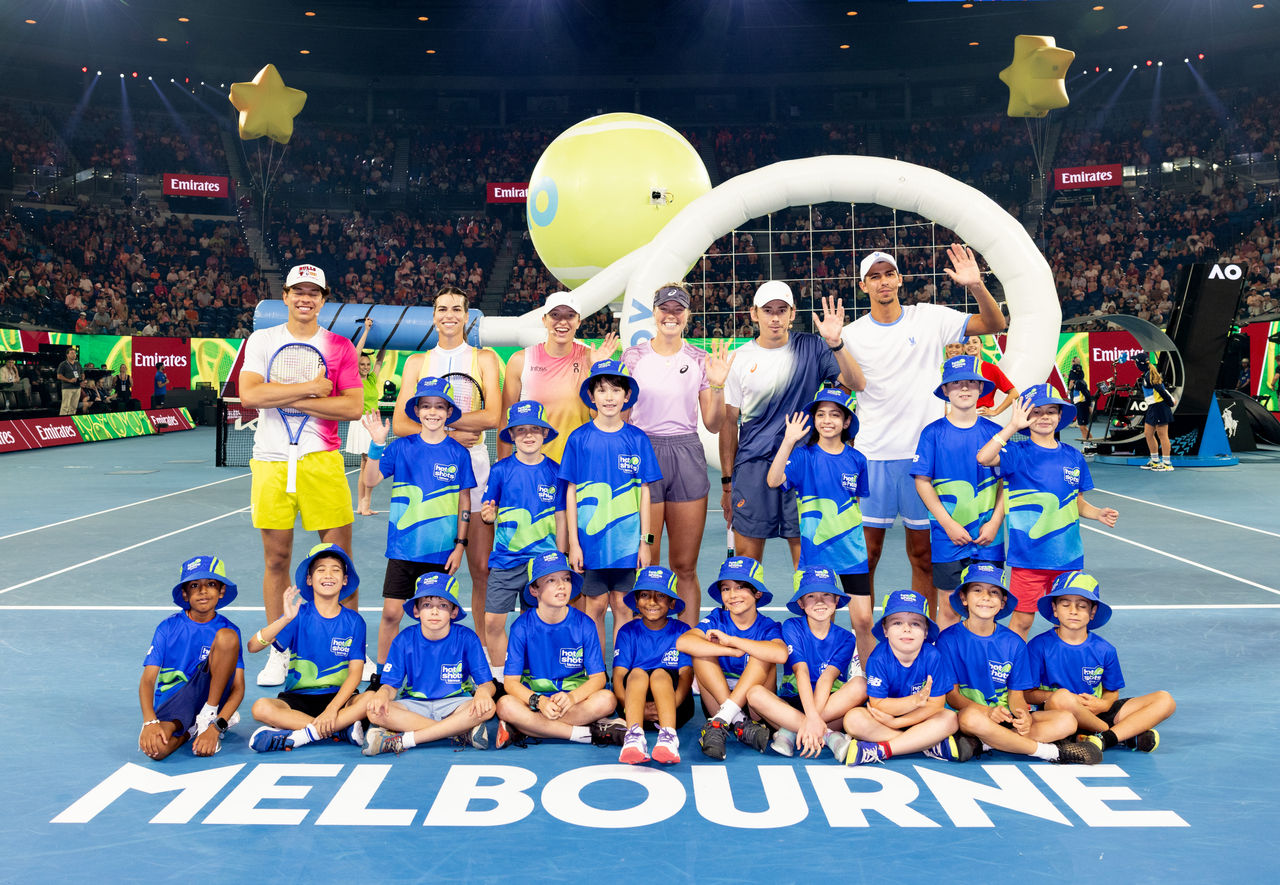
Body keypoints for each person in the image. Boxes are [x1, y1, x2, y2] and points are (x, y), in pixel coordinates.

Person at [840, 246, 1007, 619]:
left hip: (925, 460)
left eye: (889, 274)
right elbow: (847, 386)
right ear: (863, 285)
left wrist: (977, 285)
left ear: (899, 279)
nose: (883, 281)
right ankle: (861, 636)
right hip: (873, 456)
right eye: (874, 276)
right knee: (866, 555)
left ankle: (919, 632)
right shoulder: (850, 334)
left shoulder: (930, 318)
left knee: (924, 556)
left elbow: (994, 324)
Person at [238, 264, 363, 687]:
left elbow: (351, 408)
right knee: (276, 559)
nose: (305, 299)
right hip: (270, 461)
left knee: (340, 562)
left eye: (314, 292)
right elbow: (251, 394)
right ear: (286, 296)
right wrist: (312, 389)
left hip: (322, 461)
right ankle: (279, 652)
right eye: (298, 291)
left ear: (323, 299)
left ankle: (350, 652)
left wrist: (288, 397)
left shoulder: (339, 347)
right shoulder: (263, 340)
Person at [721, 282, 864, 565]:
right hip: (754, 466)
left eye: (781, 310)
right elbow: (728, 424)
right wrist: (727, 482)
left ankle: (811, 610)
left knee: (808, 560)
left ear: (792, 313)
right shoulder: (739, 359)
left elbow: (855, 383)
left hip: (802, 464)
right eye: (768, 310)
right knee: (747, 563)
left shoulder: (813, 347)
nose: (775, 317)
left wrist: (835, 343)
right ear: (754, 314)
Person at [395, 286, 502, 651]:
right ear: (434, 315)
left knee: (482, 569)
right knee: (431, 569)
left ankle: (487, 653)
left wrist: (448, 430)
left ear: (468, 316)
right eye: (442, 309)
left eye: (457, 309)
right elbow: (399, 424)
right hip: (427, 481)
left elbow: (493, 415)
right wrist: (454, 433)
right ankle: (432, 648)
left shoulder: (484, 358)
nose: (449, 315)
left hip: (477, 472)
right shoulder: (416, 363)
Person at [621, 282, 733, 627]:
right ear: (654, 313)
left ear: (687, 315)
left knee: (684, 566)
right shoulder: (633, 357)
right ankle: (648, 645)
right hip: (644, 456)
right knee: (648, 564)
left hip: (686, 456)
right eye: (665, 309)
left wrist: (717, 385)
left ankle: (689, 646)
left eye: (678, 309)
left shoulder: (700, 359)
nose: (671, 315)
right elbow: (620, 419)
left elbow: (713, 425)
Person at [977, 385, 1119, 639]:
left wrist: (1096, 513)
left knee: (1070, 623)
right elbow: (984, 458)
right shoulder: (1017, 453)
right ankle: (1016, 673)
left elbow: (1075, 502)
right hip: (1028, 559)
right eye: (1037, 412)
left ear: (1060, 417)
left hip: (1068, 558)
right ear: (1026, 417)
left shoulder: (1073, 457)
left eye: (1051, 411)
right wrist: (1011, 426)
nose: (1044, 417)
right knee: (1021, 623)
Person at [362, 377, 476, 685]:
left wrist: (460, 545)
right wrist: (376, 445)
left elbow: (464, 500)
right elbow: (371, 480)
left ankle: (439, 674)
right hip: (403, 549)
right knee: (391, 615)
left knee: (439, 617)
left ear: (448, 411)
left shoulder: (458, 453)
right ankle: (382, 675)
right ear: (417, 410)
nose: (433, 412)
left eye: (439, 406)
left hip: (441, 552)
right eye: (426, 406)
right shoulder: (401, 447)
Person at [936, 563, 1101, 765]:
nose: (985, 597)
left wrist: (1024, 717)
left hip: (1006, 719)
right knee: (969, 718)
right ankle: (1049, 751)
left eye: (994, 592)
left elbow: (1016, 695)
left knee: (1067, 721)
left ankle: (987, 743)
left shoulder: (1014, 643)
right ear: (964, 598)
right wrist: (987, 711)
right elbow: (952, 697)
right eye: (977, 590)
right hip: (973, 715)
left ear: (1003, 602)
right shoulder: (948, 640)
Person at [766, 387, 873, 664]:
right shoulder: (803, 457)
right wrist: (788, 441)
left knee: (863, 620)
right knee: (821, 618)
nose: (827, 420)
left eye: (835, 415)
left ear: (846, 422)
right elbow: (773, 480)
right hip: (815, 555)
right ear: (814, 419)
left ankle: (867, 675)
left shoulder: (857, 460)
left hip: (852, 554)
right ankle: (821, 671)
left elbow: (854, 504)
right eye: (821, 414)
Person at [560, 359, 661, 649]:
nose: (609, 397)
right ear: (591, 396)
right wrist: (574, 545)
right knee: (593, 606)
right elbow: (571, 493)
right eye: (602, 390)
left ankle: (620, 673)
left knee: (623, 606)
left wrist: (645, 542)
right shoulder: (579, 439)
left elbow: (644, 494)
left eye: (616, 390)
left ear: (626, 396)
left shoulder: (637, 439)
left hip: (627, 545)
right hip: (590, 545)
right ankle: (596, 672)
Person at [1026, 571, 1175, 754]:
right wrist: (1070, 699)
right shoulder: (1038, 646)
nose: (1073, 611)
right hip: (1059, 712)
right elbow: (1027, 694)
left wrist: (1103, 705)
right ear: (1055, 609)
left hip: (1096, 710)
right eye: (1066, 604)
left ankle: (1101, 739)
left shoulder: (1105, 649)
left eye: (1082, 606)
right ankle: (1113, 733)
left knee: (1165, 700)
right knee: (1062, 697)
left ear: (1092, 612)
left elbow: (1111, 692)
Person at [911, 354, 1006, 634]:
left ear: (981, 388)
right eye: (955, 384)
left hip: (989, 536)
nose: (963, 389)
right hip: (947, 537)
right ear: (945, 391)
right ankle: (948, 674)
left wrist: (995, 523)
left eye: (970, 383)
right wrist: (948, 524)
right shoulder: (932, 434)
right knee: (950, 606)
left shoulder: (996, 433)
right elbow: (922, 482)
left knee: (988, 604)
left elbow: (1007, 484)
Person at [246, 544, 369, 752]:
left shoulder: (355, 621)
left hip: (339, 697)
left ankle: (302, 734)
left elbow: (355, 674)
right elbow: (252, 646)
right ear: (310, 580)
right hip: (299, 697)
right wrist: (284, 619)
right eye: (321, 569)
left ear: (345, 580)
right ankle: (338, 731)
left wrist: (332, 709)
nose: (328, 574)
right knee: (261, 708)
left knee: (371, 700)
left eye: (336, 570)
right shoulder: (298, 615)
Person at [493, 551, 619, 748]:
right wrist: (539, 701)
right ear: (534, 590)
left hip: (571, 699)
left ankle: (526, 728)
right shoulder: (521, 626)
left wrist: (572, 697)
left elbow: (599, 678)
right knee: (505, 705)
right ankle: (584, 733)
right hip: (535, 700)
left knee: (607, 700)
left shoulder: (584, 623)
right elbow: (510, 683)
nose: (561, 586)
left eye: (566, 579)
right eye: (551, 580)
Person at [362, 573, 496, 755]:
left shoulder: (467, 638)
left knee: (488, 708)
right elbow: (391, 687)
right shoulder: (403, 640)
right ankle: (458, 732)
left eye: (443, 606)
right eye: (427, 605)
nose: (434, 612)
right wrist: (382, 694)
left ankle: (403, 739)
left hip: (455, 704)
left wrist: (483, 693)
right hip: (414, 705)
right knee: (375, 711)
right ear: (416, 611)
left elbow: (487, 684)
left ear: (453, 611)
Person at [746, 567, 868, 760]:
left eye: (827, 594)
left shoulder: (846, 638)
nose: (819, 601)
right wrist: (811, 719)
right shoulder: (792, 626)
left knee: (860, 684)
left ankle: (792, 732)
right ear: (801, 603)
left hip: (829, 705)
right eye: (811, 596)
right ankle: (828, 736)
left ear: (836, 600)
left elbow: (826, 678)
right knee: (754, 694)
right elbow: (801, 671)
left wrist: (813, 718)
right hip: (793, 703)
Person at [479, 400, 566, 669]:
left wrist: (561, 556)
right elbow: (488, 509)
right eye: (520, 430)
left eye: (535, 429)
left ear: (544, 434)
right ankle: (501, 676)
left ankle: (533, 670)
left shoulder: (556, 471)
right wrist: (488, 517)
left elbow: (561, 516)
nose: (528, 435)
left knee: (537, 621)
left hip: (542, 563)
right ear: (512, 436)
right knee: (493, 621)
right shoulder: (500, 470)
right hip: (506, 560)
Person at [841, 589, 971, 766]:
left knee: (949, 719)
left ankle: (882, 749)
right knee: (853, 719)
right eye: (897, 623)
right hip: (884, 722)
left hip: (918, 719)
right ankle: (926, 745)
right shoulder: (878, 658)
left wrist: (898, 722)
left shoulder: (933, 656)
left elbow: (936, 705)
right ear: (885, 630)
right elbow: (878, 704)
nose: (906, 629)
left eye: (916, 624)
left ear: (926, 632)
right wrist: (914, 701)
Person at [138, 555, 245, 760]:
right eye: (195, 585)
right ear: (185, 594)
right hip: (176, 700)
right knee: (157, 750)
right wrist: (150, 721)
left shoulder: (230, 630)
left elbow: (238, 688)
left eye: (211, 584)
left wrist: (216, 728)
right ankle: (192, 730)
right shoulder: (167, 628)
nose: (203, 591)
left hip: (211, 697)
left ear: (221, 591)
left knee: (227, 639)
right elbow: (148, 680)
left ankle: (208, 717)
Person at [685, 556, 788, 760]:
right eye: (726, 588)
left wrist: (733, 641)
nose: (732, 595)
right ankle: (736, 720)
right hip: (718, 701)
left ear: (757, 593)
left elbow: (780, 654)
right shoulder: (717, 617)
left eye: (740, 587)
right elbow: (684, 643)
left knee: (763, 654)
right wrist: (731, 651)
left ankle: (723, 719)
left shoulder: (768, 626)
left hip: (755, 709)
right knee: (700, 654)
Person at [500, 291, 618, 463]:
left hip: (579, 464)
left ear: (578, 322)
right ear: (544, 320)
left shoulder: (591, 359)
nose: (562, 322)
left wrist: (596, 371)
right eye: (555, 315)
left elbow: (600, 417)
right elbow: (505, 420)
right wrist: (503, 469)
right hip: (533, 467)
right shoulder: (521, 360)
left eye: (570, 316)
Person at [612, 566, 694, 764]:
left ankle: (668, 737)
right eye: (645, 595)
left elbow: (686, 675)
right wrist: (632, 708)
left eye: (660, 596)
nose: (652, 602)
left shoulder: (682, 630)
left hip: (675, 705)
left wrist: (670, 705)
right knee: (638, 673)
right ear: (637, 602)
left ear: (672, 602)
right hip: (634, 706)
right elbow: (618, 677)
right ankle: (634, 736)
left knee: (659, 674)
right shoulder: (627, 631)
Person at [346, 318, 386, 516]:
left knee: (365, 464)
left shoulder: (371, 378)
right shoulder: (353, 375)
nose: (365, 366)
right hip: (362, 422)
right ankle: (364, 503)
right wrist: (366, 330)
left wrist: (388, 340)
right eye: (362, 363)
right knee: (368, 462)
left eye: (367, 364)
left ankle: (362, 505)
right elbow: (355, 352)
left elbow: (380, 359)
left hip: (373, 423)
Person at [1136, 353, 1178, 471]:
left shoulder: (1150, 375)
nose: (1134, 364)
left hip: (1159, 407)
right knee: (1148, 433)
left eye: (1136, 362)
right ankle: (1155, 461)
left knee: (1162, 435)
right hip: (1152, 407)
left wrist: (1171, 402)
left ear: (1140, 364)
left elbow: (1161, 390)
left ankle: (1167, 463)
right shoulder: (1147, 374)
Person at [966, 335, 1019, 418]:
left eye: (975, 342)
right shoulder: (960, 369)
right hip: (961, 415)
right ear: (964, 347)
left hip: (981, 416)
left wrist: (995, 412)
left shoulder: (991, 369)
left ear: (981, 346)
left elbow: (1014, 393)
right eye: (967, 343)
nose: (971, 345)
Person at [57, 346, 82, 416]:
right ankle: (62, 421)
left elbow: (82, 373)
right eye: (72, 353)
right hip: (67, 387)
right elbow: (59, 376)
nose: (74, 355)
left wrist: (82, 379)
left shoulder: (78, 364)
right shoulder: (63, 364)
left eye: (75, 353)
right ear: (67, 355)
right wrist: (69, 380)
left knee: (74, 407)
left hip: (77, 387)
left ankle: (71, 421)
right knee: (65, 406)